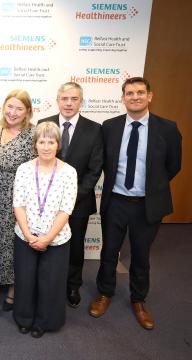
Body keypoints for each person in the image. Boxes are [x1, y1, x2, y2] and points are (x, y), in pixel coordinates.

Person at [89, 77, 182, 330]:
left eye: (140, 92)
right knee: (109, 251)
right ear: (123, 98)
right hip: (116, 201)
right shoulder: (109, 126)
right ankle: (104, 293)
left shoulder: (167, 128)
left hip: (147, 204)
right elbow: (103, 162)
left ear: (149, 96)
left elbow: (173, 166)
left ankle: (139, 300)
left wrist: (151, 188)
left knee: (141, 255)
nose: (135, 97)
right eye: (129, 93)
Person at [38, 82, 103, 308]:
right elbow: (36, 161)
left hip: (78, 203)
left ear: (80, 102)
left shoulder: (94, 129)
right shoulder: (43, 124)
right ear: (57, 100)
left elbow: (95, 169)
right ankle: (48, 283)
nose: (68, 103)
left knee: (75, 247)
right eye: (64, 98)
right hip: (44, 203)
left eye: (74, 99)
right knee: (48, 244)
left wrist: (72, 197)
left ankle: (72, 284)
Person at [13, 121, 77, 338]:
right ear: (35, 145)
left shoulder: (69, 172)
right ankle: (24, 317)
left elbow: (65, 209)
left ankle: (45, 321)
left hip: (56, 239)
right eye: (42, 141)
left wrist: (47, 238)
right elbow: (18, 204)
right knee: (25, 278)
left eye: (51, 142)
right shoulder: (24, 169)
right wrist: (30, 235)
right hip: (25, 236)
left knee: (50, 282)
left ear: (58, 145)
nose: (47, 146)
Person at [0, 89, 36, 312]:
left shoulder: (32, 134)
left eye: (19, 108)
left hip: (17, 197)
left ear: (27, 112)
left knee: (13, 243)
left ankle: (14, 289)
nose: (13, 112)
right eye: (10, 106)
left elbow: (36, 171)